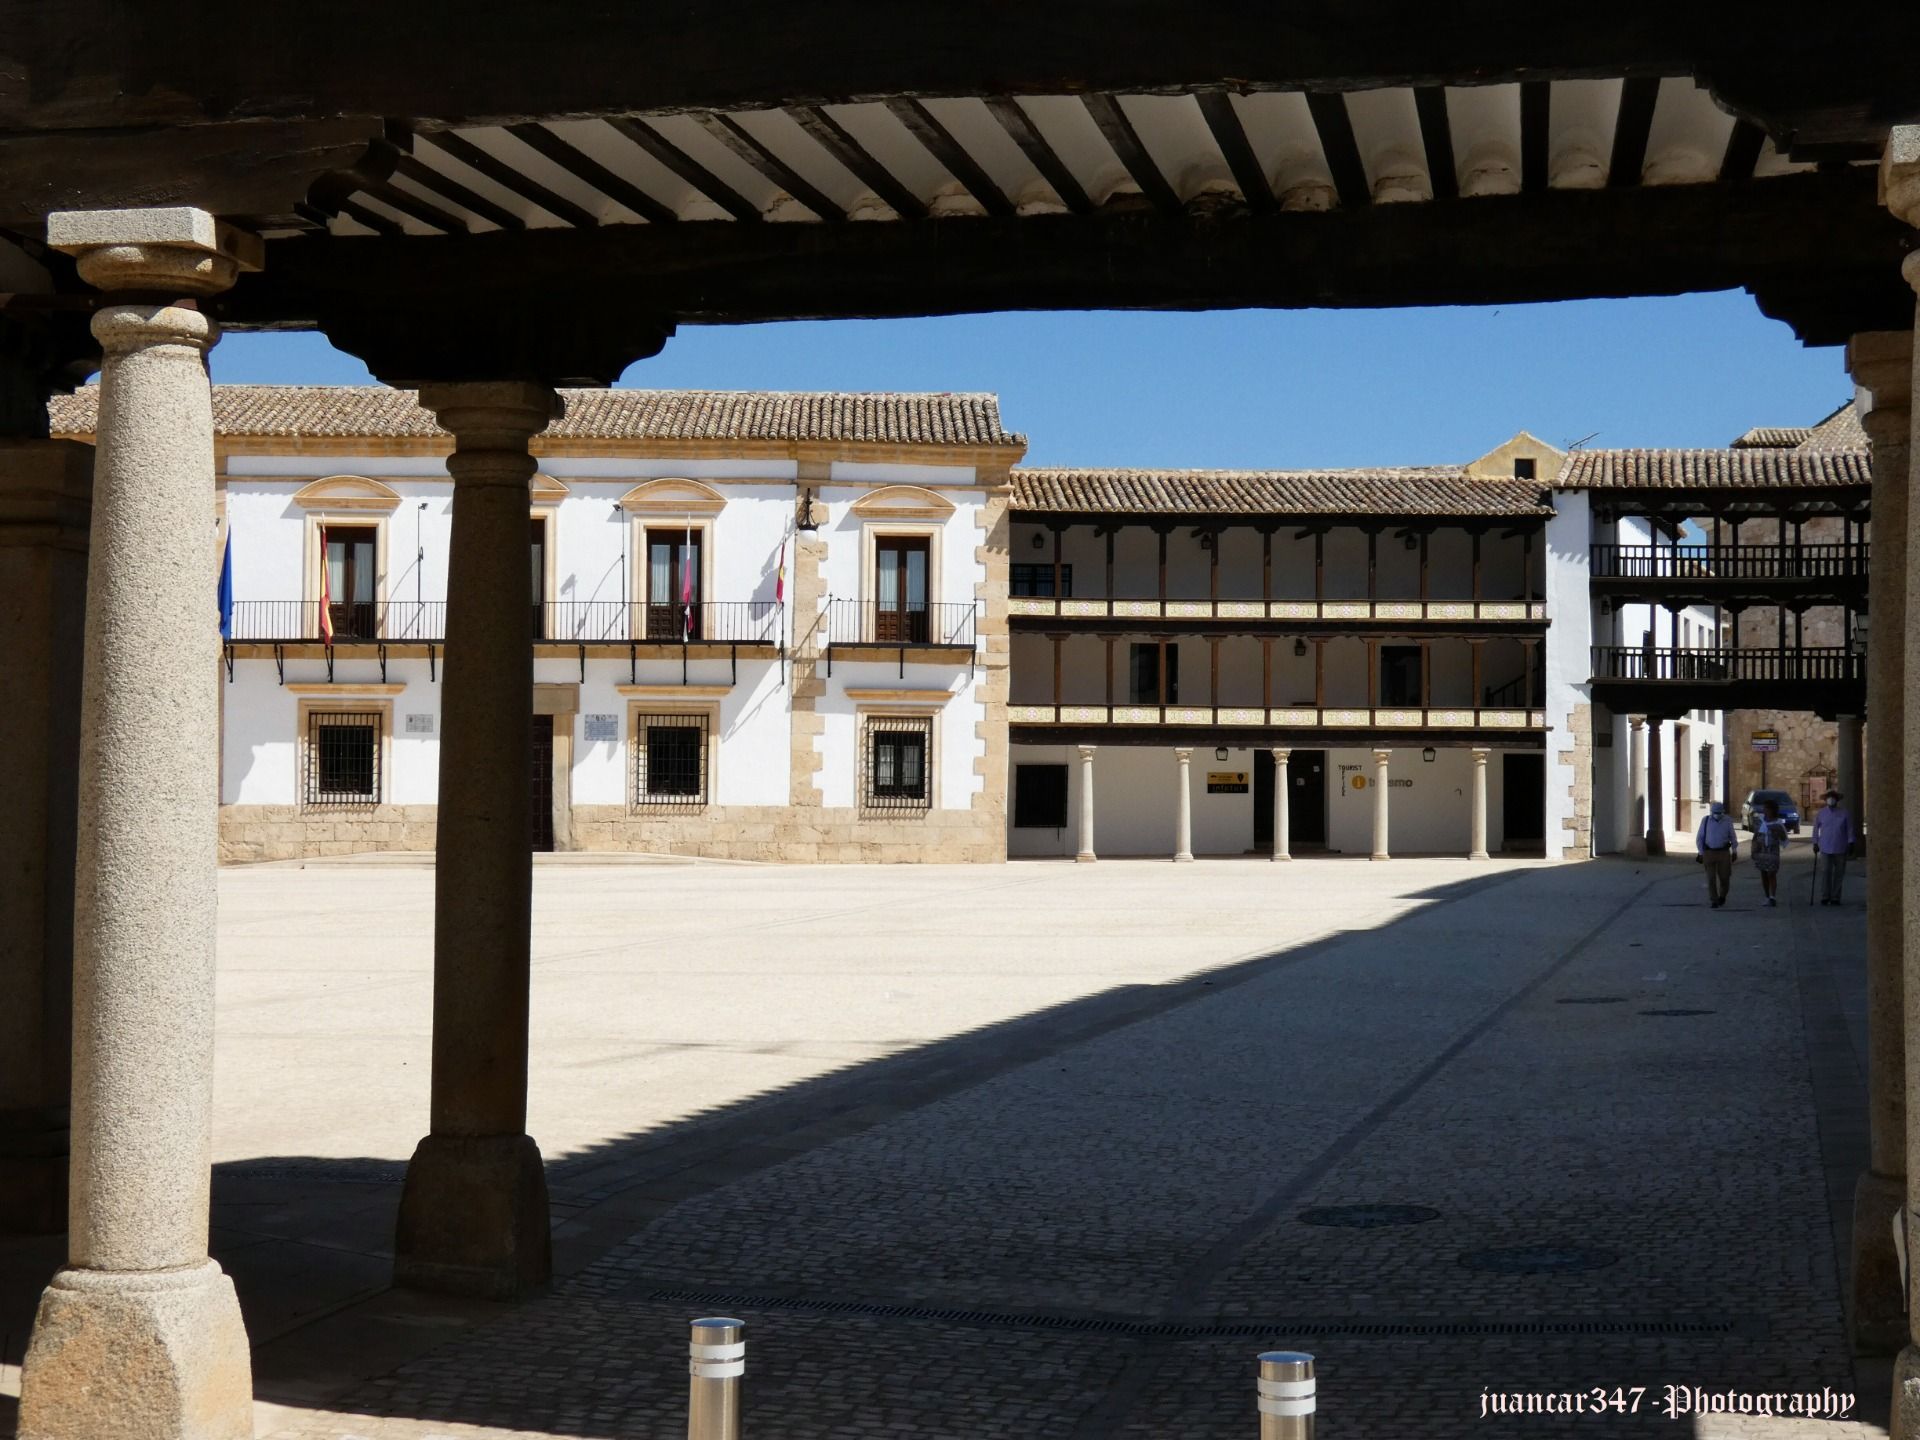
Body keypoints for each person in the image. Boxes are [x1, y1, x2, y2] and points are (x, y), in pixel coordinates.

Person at [1811, 788, 1855, 905]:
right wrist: (1815, 842)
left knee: (1839, 873)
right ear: (1825, 799)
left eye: (1833, 797)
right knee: (1826, 871)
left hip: (1840, 847)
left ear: (1837, 799)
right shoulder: (1821, 813)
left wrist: (1851, 842)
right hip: (1825, 847)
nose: (1831, 799)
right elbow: (1816, 829)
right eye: (1829, 797)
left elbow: (1849, 829)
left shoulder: (1845, 813)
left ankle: (1835, 896)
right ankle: (1825, 895)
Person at [1695, 800, 1738, 909]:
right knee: (1711, 878)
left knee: (1725, 877)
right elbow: (1700, 838)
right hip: (1709, 852)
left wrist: (1735, 850)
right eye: (1715, 813)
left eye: (1719, 813)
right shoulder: (1705, 821)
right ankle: (1714, 900)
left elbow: (1732, 836)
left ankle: (1722, 896)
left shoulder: (1727, 821)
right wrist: (1701, 852)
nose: (1717, 815)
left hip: (1723, 852)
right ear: (1711, 812)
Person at [1750, 798, 1786, 907]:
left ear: (1772, 810)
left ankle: (1772, 897)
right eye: (1764, 808)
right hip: (1761, 851)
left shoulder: (1778, 823)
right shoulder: (1761, 822)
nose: (1764, 810)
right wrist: (1753, 849)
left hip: (1773, 851)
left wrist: (1777, 833)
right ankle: (1767, 896)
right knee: (1764, 873)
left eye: (1767, 808)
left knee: (1771, 873)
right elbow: (1756, 836)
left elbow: (1784, 838)